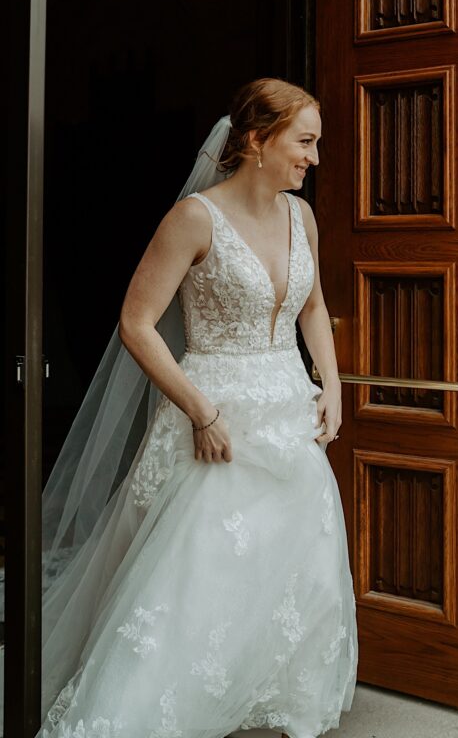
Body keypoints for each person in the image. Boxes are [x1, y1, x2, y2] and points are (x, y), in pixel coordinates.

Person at [38, 78, 357, 738]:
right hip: (216, 422)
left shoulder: (303, 219)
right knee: (195, 587)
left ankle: (251, 702)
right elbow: (136, 323)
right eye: (305, 141)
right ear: (255, 140)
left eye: (316, 143)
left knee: (286, 573)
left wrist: (332, 383)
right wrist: (200, 411)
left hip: (290, 423)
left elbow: (316, 307)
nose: (314, 158)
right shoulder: (195, 219)